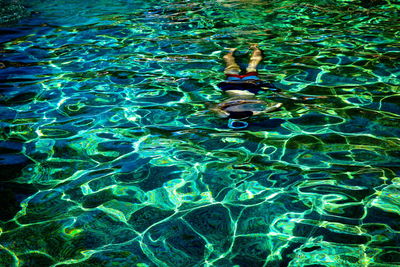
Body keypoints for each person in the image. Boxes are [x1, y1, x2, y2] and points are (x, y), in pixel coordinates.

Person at [210, 44, 282, 128]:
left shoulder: (250, 111)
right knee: (237, 67)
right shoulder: (226, 113)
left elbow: (277, 104)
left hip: (245, 88)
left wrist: (259, 108)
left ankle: (254, 47)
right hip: (234, 87)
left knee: (251, 68)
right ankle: (235, 50)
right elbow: (277, 104)